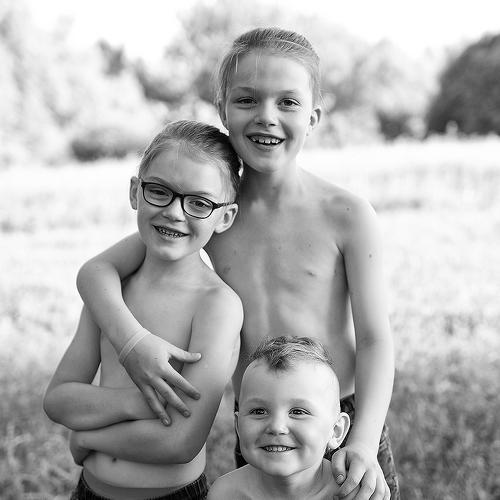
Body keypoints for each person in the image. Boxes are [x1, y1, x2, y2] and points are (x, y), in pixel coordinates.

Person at [76, 27, 399, 499]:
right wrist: (132, 343)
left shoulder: (346, 215)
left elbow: (374, 339)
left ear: (313, 117)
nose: (267, 116)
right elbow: (96, 273)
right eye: (247, 100)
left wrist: (364, 441)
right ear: (223, 109)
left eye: (287, 102)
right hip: (262, 420)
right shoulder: (209, 212)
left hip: (339, 417)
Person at [43, 120, 243, 500]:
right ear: (136, 191)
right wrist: (137, 403)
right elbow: (58, 400)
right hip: (89, 491)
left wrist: (88, 436)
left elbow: (180, 442)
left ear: (225, 217)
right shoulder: (112, 295)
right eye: (160, 192)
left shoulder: (216, 305)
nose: (175, 212)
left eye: (199, 203)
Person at [207, 336, 352, 500]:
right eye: (259, 411)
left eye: (298, 412)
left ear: (336, 430)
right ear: (238, 426)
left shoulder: (351, 494)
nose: (276, 426)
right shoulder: (226, 494)